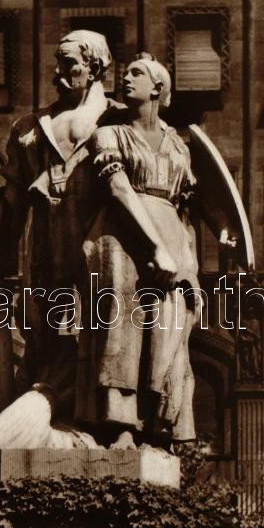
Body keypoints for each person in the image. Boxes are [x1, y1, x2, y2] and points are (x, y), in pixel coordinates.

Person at [0, 31, 124, 466]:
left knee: (98, 336)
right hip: (45, 247)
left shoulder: (119, 121)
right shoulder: (29, 128)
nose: (57, 73)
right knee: (44, 337)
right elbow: (10, 204)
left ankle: (94, 424)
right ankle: (49, 421)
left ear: (94, 67)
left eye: (68, 64)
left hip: (100, 251)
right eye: (57, 63)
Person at [74, 53, 202, 450]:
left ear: (158, 88)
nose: (125, 78)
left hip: (172, 238)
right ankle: (121, 427)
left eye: (136, 73)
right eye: (125, 72)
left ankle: (158, 429)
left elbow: (186, 212)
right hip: (122, 236)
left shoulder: (179, 146)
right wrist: (155, 247)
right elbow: (119, 189)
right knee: (122, 327)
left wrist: (189, 264)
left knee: (167, 331)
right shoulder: (109, 135)